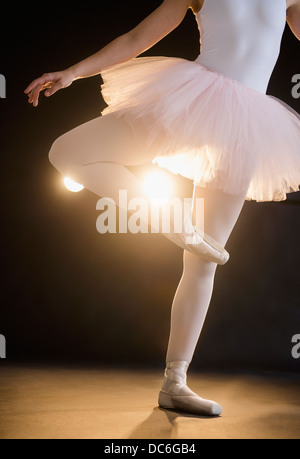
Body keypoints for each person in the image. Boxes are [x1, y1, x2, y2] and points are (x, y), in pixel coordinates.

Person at [25, 0, 300, 417]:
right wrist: (73, 72)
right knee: (68, 151)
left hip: (248, 124)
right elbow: (137, 39)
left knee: (202, 259)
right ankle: (170, 219)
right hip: (192, 100)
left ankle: (175, 382)